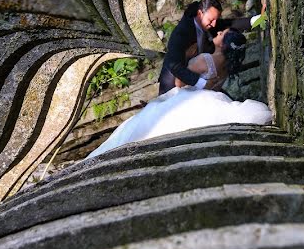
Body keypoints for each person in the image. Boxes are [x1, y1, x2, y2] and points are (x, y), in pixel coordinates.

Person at [87, 29, 272, 159]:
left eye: (222, 34)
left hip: (189, 98)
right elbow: (212, 89)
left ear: (223, 44)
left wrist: (195, 86)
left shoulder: (206, 59)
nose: (218, 33)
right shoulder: (225, 68)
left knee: (146, 124)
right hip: (207, 100)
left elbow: (180, 81)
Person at [157, 0, 261, 95]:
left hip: (196, 85)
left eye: (216, 20)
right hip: (173, 89)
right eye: (211, 20)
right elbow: (174, 66)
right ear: (199, 13)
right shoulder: (181, 33)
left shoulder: (208, 24)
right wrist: (203, 83)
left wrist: (257, 20)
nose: (214, 24)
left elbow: (230, 24)